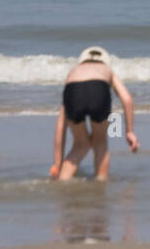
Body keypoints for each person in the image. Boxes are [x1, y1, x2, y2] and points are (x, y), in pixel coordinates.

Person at [51, 46, 139, 181]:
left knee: (81, 145)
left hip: (73, 91)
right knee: (100, 142)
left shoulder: (74, 72)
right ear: (105, 61)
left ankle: (62, 181)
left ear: (82, 61)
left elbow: (60, 126)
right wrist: (129, 132)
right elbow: (127, 99)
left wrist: (57, 163)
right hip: (99, 89)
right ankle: (101, 181)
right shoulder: (107, 70)